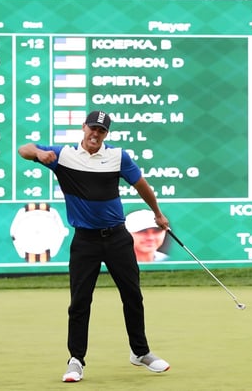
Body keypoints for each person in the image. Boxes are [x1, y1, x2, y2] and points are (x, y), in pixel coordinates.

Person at [18, 110, 170, 382]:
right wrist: (39, 155)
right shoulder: (62, 155)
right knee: (80, 301)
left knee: (132, 296)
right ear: (83, 128)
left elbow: (141, 185)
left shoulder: (117, 156)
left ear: (106, 134)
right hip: (85, 241)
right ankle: (76, 360)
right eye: (92, 128)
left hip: (118, 238)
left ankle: (140, 352)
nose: (95, 134)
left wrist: (157, 213)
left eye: (101, 131)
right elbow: (24, 148)